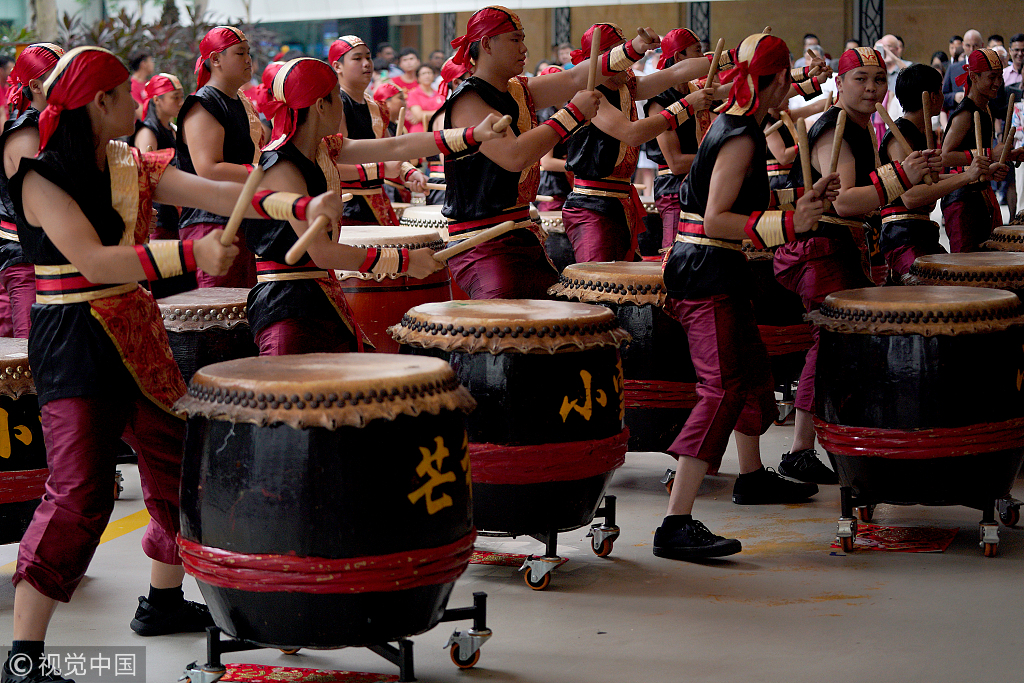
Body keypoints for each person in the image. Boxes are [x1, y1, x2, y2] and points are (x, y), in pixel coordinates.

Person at [1, 45, 343, 683]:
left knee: (183, 466)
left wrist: (296, 206)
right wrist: (189, 255)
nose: (137, 104)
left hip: (135, 331)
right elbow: (96, 262)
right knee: (80, 494)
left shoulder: (128, 161)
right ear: (97, 102)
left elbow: (210, 186)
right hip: (74, 339)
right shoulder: (39, 176)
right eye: (125, 93)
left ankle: (161, 601)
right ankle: (23, 658)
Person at [655, 32, 838, 560]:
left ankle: (752, 477)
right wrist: (789, 222)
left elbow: (735, 197)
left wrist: (798, 200)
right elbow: (716, 218)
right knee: (720, 391)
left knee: (753, 373)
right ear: (780, 79)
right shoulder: (740, 135)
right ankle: (676, 521)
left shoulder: (738, 126)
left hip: (715, 269)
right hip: (705, 272)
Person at [248, 57, 505, 355]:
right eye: (336, 98)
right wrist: (405, 261)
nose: (343, 106)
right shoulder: (281, 166)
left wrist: (472, 134)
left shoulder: (322, 148)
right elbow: (321, 252)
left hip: (319, 294)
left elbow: (397, 147)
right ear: (320, 106)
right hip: (285, 306)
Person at [773, 47, 940, 482]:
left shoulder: (863, 127)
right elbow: (846, 201)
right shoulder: (836, 128)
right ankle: (799, 451)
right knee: (826, 343)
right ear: (840, 83)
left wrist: (915, 172)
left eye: (878, 80)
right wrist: (902, 176)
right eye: (860, 79)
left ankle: (817, 444)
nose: (871, 88)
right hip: (818, 246)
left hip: (841, 245)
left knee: (833, 345)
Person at [441, 6, 650, 298]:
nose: (524, 48)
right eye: (515, 40)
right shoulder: (468, 99)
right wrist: (572, 114)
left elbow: (576, 78)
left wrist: (634, 49)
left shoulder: (517, 90)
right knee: (510, 335)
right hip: (481, 245)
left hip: (518, 234)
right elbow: (514, 156)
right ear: (487, 43)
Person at [561, 23, 716, 263]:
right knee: (599, 285)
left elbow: (675, 72)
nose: (628, 61)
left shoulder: (627, 87)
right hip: (591, 205)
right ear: (603, 60)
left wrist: (732, 58)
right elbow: (632, 133)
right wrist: (686, 106)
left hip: (621, 201)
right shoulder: (588, 94)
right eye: (620, 53)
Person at [880, 64, 989, 279]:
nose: (943, 95)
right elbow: (910, 196)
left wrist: (974, 175)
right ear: (931, 97)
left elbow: (929, 183)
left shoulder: (917, 133)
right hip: (902, 236)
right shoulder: (900, 137)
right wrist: (966, 176)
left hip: (918, 232)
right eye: (940, 89)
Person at [176, 26, 264, 288]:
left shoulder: (237, 100)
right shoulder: (203, 103)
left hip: (238, 216)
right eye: (240, 53)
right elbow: (209, 169)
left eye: (248, 53)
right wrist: (262, 172)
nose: (248, 59)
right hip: (209, 222)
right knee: (217, 319)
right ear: (215, 60)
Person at [329, 35, 427, 225]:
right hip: (347, 207)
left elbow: (389, 150)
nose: (366, 64)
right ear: (337, 66)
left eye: (368, 57)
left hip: (378, 202)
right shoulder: (335, 106)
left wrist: (408, 172)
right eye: (357, 59)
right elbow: (332, 165)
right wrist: (382, 170)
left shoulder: (376, 107)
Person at [0, 43, 63, 339]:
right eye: (59, 75)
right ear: (36, 85)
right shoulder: (26, 132)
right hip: (26, 255)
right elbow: (42, 200)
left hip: (57, 250)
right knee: (32, 349)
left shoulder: (60, 124)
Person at [941, 48, 1020, 251]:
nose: (997, 83)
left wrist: (1000, 161)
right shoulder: (965, 113)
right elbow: (945, 157)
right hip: (961, 200)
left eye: (1000, 77)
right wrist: (987, 155)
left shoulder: (985, 107)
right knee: (966, 267)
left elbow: (982, 157)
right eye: (992, 77)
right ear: (974, 77)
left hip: (980, 195)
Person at [644, 27, 706, 251]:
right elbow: (676, 162)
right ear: (679, 56)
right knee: (675, 257)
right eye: (697, 51)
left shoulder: (697, 91)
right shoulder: (660, 100)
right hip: (674, 189)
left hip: (700, 184)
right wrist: (718, 156)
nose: (703, 58)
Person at [425, 57, 471, 206]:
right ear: (457, 83)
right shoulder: (445, 115)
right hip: (446, 186)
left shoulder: (460, 111)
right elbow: (447, 161)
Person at [943, 29, 983, 110]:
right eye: (968, 45)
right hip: (957, 117)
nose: (972, 49)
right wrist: (954, 97)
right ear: (963, 45)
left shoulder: (988, 69)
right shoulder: (953, 68)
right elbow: (942, 96)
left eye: (975, 45)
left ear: (982, 45)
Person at [406, 64, 443, 134]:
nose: (427, 76)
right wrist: (439, 113)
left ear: (433, 75)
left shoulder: (440, 93)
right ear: (418, 78)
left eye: (429, 73)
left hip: (437, 130)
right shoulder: (413, 94)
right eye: (423, 73)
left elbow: (446, 113)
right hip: (419, 132)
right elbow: (419, 116)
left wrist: (426, 114)